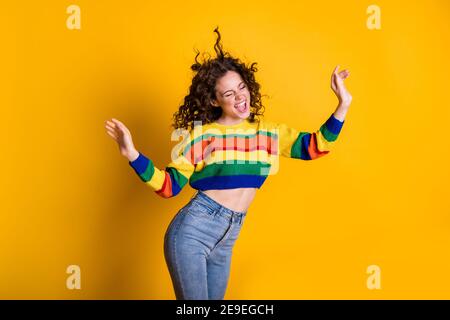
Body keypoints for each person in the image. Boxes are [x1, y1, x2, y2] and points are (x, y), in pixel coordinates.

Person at [104, 27, 352, 300]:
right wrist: (132, 155)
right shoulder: (202, 135)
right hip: (192, 233)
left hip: (227, 239)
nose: (240, 97)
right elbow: (168, 186)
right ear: (214, 100)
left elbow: (315, 147)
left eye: (242, 87)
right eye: (229, 94)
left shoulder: (268, 133)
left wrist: (343, 104)